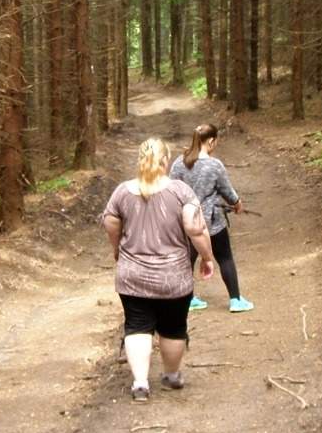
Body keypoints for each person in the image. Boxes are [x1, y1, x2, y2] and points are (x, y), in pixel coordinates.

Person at [102, 137, 216, 401]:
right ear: (165, 161)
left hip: (132, 276)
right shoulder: (181, 191)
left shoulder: (122, 191)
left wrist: (117, 248)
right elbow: (195, 228)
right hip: (173, 277)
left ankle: (140, 384)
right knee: (173, 327)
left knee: (136, 326)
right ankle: (172, 376)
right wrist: (207, 257)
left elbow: (110, 222)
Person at [170, 123, 253, 313]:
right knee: (224, 257)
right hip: (212, 221)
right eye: (216, 141)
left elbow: (172, 189)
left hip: (186, 221)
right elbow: (227, 192)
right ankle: (235, 300)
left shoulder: (179, 162)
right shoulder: (214, 165)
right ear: (211, 141)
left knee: (187, 259)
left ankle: (188, 298)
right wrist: (238, 204)